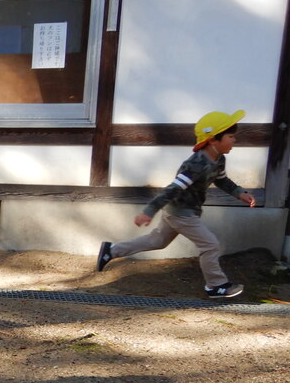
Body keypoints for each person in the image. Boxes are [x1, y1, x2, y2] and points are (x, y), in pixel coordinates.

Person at [96, 109, 255, 299]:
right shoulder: (195, 165)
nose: (234, 140)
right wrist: (149, 211)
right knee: (210, 244)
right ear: (213, 139)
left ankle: (111, 250)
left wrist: (240, 193)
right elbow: (172, 189)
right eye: (230, 136)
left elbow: (222, 180)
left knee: (157, 241)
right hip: (181, 213)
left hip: (182, 211)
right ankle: (216, 285)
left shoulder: (219, 159)